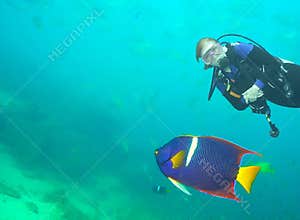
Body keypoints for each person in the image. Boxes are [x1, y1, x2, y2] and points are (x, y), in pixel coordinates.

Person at [195, 35, 300, 116]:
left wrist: (257, 87)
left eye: (215, 49)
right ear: (206, 63)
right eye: (207, 56)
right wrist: (247, 98)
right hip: (278, 96)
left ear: (220, 45)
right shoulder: (220, 79)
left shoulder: (239, 49)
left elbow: (272, 64)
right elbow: (238, 105)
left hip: (289, 76)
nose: (214, 55)